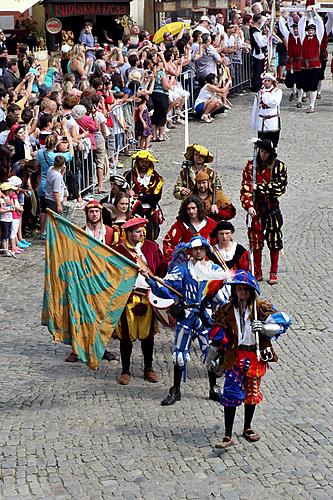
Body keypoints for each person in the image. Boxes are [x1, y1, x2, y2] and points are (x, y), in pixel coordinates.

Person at [141, 236, 231, 405]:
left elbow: (224, 298)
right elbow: (165, 289)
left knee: (211, 353)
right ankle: (175, 390)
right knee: (179, 355)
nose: (198, 251)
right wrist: (149, 279)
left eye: (201, 249)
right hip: (186, 317)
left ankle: (214, 388)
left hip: (206, 318)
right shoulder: (182, 269)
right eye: (195, 249)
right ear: (190, 251)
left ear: (205, 250)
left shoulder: (214, 269)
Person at [213, 270, 291, 449]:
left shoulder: (261, 308)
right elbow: (217, 334)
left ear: (251, 291)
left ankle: (247, 427)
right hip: (234, 356)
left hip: (254, 355)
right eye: (240, 290)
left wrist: (264, 327)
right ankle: (227, 434)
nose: (243, 293)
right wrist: (214, 356)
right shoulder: (226, 310)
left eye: (246, 290)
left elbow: (282, 323)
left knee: (252, 393)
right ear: (235, 291)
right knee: (231, 393)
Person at [112, 217, 167, 385]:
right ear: (128, 233)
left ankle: (148, 368)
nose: (141, 234)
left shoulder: (151, 247)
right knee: (126, 337)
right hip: (128, 298)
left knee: (148, 337)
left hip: (147, 297)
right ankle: (125, 370)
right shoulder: (118, 251)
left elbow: (162, 267)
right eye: (137, 231)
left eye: (142, 230)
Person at [65, 199, 116, 363]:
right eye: (91, 212)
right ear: (86, 213)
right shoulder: (80, 233)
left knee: (102, 315)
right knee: (80, 314)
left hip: (103, 279)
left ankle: (102, 347)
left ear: (101, 214)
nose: (94, 215)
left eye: (97, 212)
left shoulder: (110, 233)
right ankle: (77, 348)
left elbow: (116, 257)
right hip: (84, 280)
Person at [240, 139, 287, 284]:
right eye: (261, 151)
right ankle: (257, 271)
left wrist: (258, 187)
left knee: (274, 240)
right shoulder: (251, 166)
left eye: (266, 152)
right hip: (256, 209)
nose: (263, 155)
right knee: (256, 241)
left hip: (272, 208)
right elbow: (246, 188)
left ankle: (273, 271)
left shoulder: (279, 167)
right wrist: (248, 206)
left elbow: (278, 188)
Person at [124, 150, 164, 241]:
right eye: (142, 161)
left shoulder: (156, 178)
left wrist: (139, 196)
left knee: (149, 236)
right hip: (132, 211)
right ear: (137, 162)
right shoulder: (128, 175)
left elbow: (155, 198)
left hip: (149, 212)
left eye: (146, 162)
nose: (144, 164)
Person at [163, 195, 216, 262]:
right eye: (188, 209)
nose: (191, 211)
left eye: (193, 208)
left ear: (198, 208)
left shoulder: (211, 224)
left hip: (207, 264)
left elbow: (217, 244)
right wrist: (178, 259)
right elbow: (168, 243)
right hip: (187, 264)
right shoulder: (180, 225)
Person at [298, 11, 324, 113]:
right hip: (304, 66)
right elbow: (300, 26)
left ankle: (312, 105)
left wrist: (315, 13)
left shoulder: (318, 38)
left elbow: (320, 25)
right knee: (306, 86)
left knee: (313, 85)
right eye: (309, 30)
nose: (310, 32)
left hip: (315, 65)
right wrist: (305, 16)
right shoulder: (302, 38)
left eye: (312, 30)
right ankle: (308, 100)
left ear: (315, 31)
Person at [251, 72, 282, 148]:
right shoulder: (259, 93)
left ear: (272, 82)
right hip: (262, 123)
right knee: (262, 145)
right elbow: (255, 108)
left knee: (273, 144)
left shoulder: (277, 92)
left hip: (273, 123)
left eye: (268, 80)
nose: (266, 82)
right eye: (265, 80)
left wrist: (265, 94)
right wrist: (254, 122)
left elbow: (274, 102)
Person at [278, 16, 302, 104]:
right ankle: (294, 91)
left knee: (300, 83)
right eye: (294, 28)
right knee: (289, 82)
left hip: (300, 63)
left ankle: (299, 100)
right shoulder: (289, 36)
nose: (295, 30)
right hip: (291, 63)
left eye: (297, 28)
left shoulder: (303, 36)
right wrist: (280, 16)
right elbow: (282, 28)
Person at [250, 14, 269, 92]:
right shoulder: (254, 30)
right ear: (258, 20)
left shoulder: (258, 30)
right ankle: (256, 86)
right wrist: (265, 36)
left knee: (260, 70)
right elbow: (260, 43)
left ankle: (259, 84)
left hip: (260, 53)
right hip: (257, 52)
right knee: (257, 71)